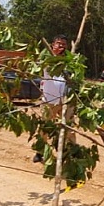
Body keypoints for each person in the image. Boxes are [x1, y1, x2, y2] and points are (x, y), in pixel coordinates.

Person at [34, 34, 71, 163]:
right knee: (45, 126)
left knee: (69, 128)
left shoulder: (70, 61)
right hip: (49, 99)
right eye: (58, 44)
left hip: (66, 100)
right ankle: (40, 152)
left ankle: (68, 153)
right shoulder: (47, 58)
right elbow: (40, 64)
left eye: (64, 45)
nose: (61, 46)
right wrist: (54, 56)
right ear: (53, 45)